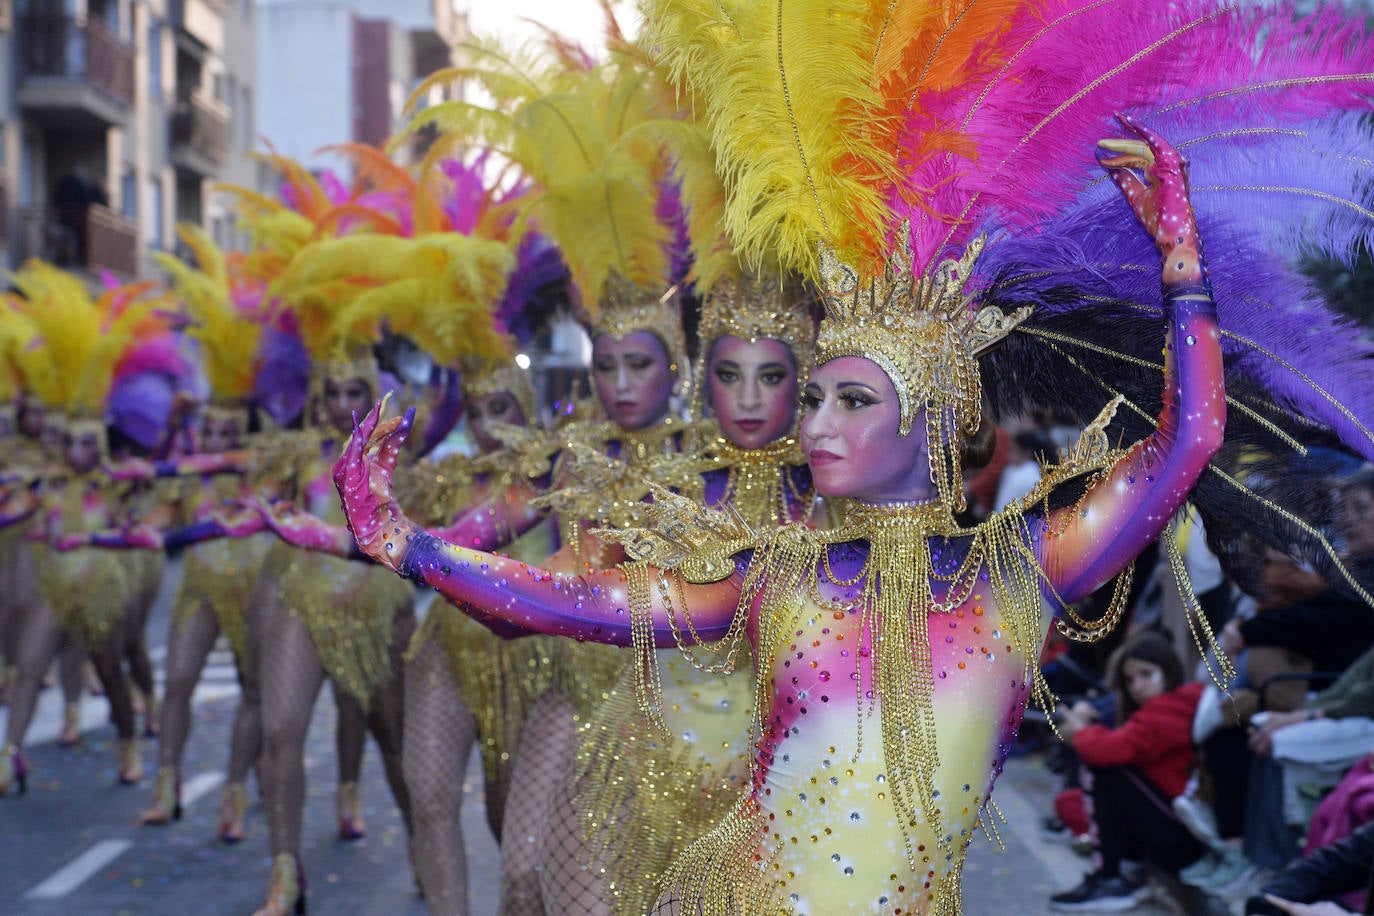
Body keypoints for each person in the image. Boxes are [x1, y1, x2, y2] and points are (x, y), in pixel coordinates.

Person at [1050, 632, 1207, 910]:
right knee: (1075, 798)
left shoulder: (1171, 710)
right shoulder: (1163, 708)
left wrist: (1079, 733)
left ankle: (1111, 878)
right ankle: (1124, 868)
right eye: (1131, 680)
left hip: (1184, 841)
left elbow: (1107, 749)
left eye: (1147, 674)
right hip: (1176, 830)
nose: (1138, 686)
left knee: (1105, 768)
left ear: (1168, 671)